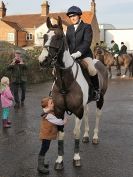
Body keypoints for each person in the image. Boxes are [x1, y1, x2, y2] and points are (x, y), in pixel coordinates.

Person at [66, 6, 100, 101]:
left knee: (92, 69)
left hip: (84, 55)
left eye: (74, 16)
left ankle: (96, 91)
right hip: (71, 56)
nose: (72, 18)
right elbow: (67, 42)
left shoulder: (87, 27)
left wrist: (78, 53)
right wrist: (67, 53)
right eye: (70, 16)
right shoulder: (69, 28)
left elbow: (86, 42)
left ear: (79, 16)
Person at [37, 97, 67, 174]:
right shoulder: (48, 114)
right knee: (44, 148)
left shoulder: (49, 111)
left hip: (48, 134)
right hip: (46, 135)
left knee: (45, 148)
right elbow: (56, 121)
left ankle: (42, 163)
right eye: (51, 103)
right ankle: (40, 166)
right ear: (47, 106)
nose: (53, 104)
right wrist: (63, 122)